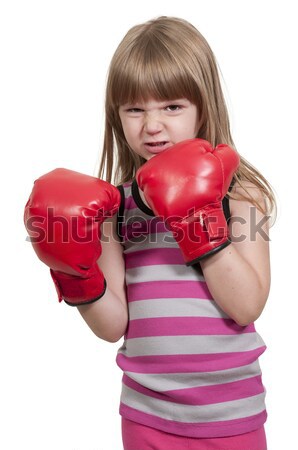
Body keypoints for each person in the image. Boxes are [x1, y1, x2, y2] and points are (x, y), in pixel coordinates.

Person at [24, 16, 276, 450]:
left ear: (204, 106)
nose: (152, 125)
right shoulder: (113, 209)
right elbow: (113, 325)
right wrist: (73, 273)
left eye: (172, 107)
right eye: (135, 109)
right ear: (117, 115)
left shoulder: (239, 196)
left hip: (231, 416)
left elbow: (246, 306)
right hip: (146, 416)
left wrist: (196, 218)